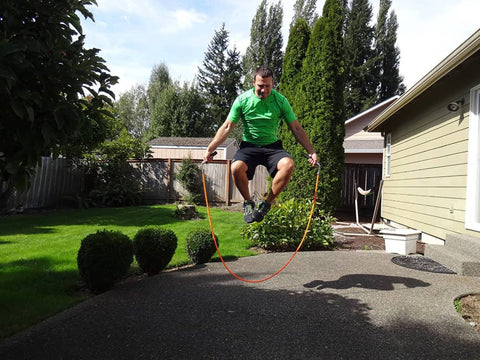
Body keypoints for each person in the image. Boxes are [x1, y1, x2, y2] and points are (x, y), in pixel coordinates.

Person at [204, 66, 318, 223]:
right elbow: (227, 127)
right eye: (260, 86)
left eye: (268, 86)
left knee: (288, 165)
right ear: (253, 83)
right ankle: (248, 203)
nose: (264, 90)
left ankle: (266, 204)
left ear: (272, 84)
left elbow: (296, 128)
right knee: (236, 167)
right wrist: (210, 149)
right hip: (249, 146)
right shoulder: (242, 101)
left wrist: (311, 150)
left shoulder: (280, 101)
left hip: (272, 147)